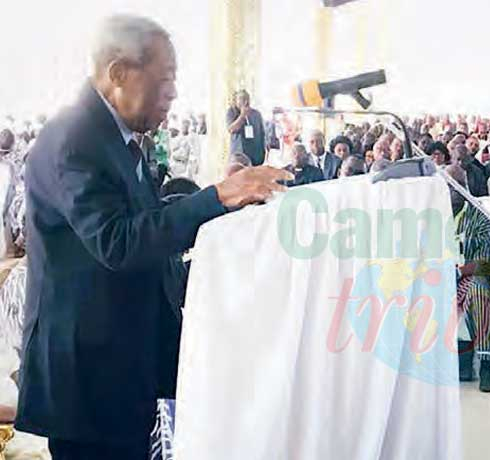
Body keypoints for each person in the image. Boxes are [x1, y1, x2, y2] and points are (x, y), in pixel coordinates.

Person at [17, 15, 292, 459]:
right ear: (119, 74)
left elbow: (145, 219)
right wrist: (217, 198)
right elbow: (119, 241)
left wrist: (224, 205)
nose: (174, 93)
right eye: (165, 78)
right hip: (88, 381)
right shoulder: (75, 138)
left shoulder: (116, 137)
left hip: (120, 368)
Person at [446, 165, 490, 393]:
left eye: (458, 186)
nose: (453, 192)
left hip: (467, 278)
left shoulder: (479, 214)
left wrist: (458, 272)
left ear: (466, 187)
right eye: (448, 186)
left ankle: (485, 361)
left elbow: (486, 262)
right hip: (436, 278)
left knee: (479, 288)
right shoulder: (432, 213)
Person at [226, 89, 267, 166]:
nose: (245, 102)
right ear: (236, 101)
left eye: (247, 99)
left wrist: (264, 150)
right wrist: (242, 115)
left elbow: (262, 133)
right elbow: (231, 129)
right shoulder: (232, 112)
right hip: (239, 154)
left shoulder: (256, 114)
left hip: (255, 154)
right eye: (242, 99)